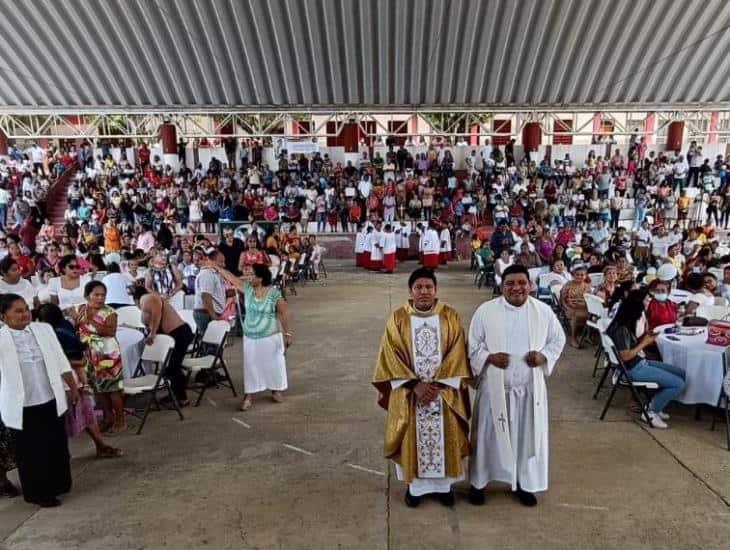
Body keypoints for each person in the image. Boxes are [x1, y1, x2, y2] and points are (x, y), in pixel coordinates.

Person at [372, 268, 471, 507]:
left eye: (428, 287)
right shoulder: (397, 318)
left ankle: (445, 488)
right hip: (410, 394)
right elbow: (389, 355)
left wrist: (436, 385)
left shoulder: (450, 316)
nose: (424, 291)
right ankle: (415, 489)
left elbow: (458, 351)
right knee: (411, 439)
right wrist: (415, 385)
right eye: (419, 287)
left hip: (443, 392)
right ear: (410, 291)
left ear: (436, 289)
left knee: (446, 437)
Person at [468, 264, 565, 506]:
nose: (516, 288)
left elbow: (557, 340)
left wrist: (543, 356)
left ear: (530, 285)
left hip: (529, 391)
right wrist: (489, 357)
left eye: (521, 282)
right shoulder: (486, 311)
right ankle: (479, 483)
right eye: (510, 283)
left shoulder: (543, 311)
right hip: (495, 389)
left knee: (525, 438)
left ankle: (523, 483)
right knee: (487, 437)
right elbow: (473, 345)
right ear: (502, 286)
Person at [0, 293, 80, 507]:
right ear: (3, 317)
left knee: (55, 443)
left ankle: (60, 484)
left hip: (49, 397)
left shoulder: (43, 330)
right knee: (31, 450)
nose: (24, 313)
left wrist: (73, 387)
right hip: (21, 405)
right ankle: (38, 493)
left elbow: (61, 360)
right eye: (17, 311)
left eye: (25, 308)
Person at [35, 303, 122, 459]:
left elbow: (60, 360)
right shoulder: (65, 325)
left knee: (71, 414)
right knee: (84, 412)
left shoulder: (51, 333)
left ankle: (90, 447)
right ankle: (98, 445)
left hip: (66, 378)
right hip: (73, 375)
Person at [606, 289, 686, 429]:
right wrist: (645, 343)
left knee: (681, 373)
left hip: (638, 363)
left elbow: (629, 345)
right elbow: (625, 356)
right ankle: (650, 412)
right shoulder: (621, 329)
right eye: (646, 301)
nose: (649, 302)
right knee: (678, 383)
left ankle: (656, 404)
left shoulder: (624, 323)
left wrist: (644, 337)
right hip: (632, 369)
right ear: (636, 306)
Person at [217, 263, 291, 411]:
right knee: (251, 365)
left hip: (271, 336)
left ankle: (275, 390)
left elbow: (283, 313)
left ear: (261, 277)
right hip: (251, 336)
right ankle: (248, 396)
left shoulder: (274, 293)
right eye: (248, 274)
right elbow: (231, 278)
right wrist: (216, 267)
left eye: (252, 275)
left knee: (274, 364)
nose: (249, 277)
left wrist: (287, 334)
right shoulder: (248, 289)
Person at [76, 281, 126, 434]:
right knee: (98, 388)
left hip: (107, 354)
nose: (100, 298)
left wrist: (90, 321)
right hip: (90, 354)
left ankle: (120, 419)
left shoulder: (109, 312)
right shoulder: (81, 309)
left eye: (103, 295)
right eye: (96, 295)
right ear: (87, 296)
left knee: (112, 388)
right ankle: (107, 417)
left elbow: (110, 332)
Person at [133, 287, 195, 406]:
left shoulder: (147, 297)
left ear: (136, 299)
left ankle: (182, 398)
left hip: (179, 333)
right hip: (176, 333)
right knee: (170, 367)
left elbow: (157, 316)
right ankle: (175, 394)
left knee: (172, 367)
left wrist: (152, 334)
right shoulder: (149, 302)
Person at [193, 248, 229, 335]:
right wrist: (214, 316)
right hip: (206, 314)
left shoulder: (217, 273)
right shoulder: (207, 273)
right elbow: (206, 296)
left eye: (224, 262)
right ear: (211, 261)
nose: (224, 265)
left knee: (215, 345)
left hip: (209, 313)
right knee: (212, 345)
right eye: (221, 262)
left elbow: (220, 294)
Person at [560, 264, 591, 347]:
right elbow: (562, 299)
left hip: (583, 307)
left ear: (585, 276)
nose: (579, 277)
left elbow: (590, 299)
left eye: (582, 275)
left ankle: (588, 336)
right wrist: (566, 307)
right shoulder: (568, 285)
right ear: (573, 275)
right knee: (575, 316)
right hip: (570, 307)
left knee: (593, 315)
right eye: (577, 275)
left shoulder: (587, 286)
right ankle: (573, 338)